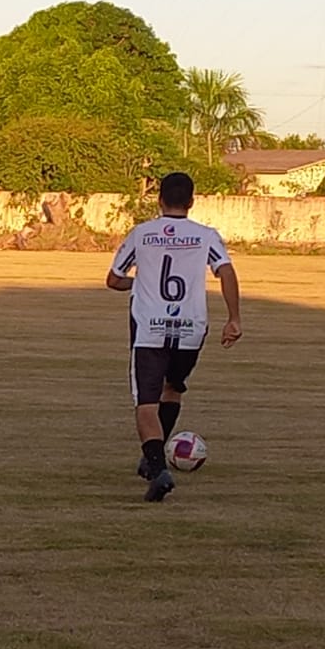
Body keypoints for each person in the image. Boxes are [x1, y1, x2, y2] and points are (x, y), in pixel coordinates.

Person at [106, 172, 242, 503]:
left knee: (146, 404)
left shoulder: (142, 234)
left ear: (159, 199)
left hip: (150, 328)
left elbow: (114, 279)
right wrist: (234, 319)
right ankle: (153, 457)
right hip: (192, 327)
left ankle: (158, 468)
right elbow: (225, 271)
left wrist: (139, 284)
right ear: (192, 201)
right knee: (174, 387)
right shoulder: (206, 235)